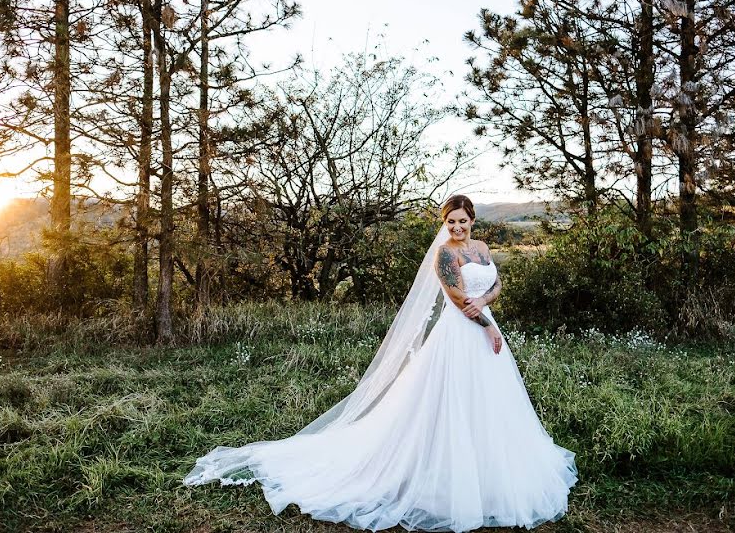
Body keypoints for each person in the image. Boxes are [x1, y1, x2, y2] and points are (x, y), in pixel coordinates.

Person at [183, 195, 578, 531]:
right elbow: (458, 299)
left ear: (472, 220)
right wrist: (487, 325)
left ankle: (490, 470)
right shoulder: (444, 254)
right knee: (449, 402)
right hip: (460, 335)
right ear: (445, 224)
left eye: (463, 221)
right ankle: (441, 472)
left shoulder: (483, 249)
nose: (458, 227)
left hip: (485, 329)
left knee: (489, 405)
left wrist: (488, 309)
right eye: (451, 221)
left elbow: (495, 285)